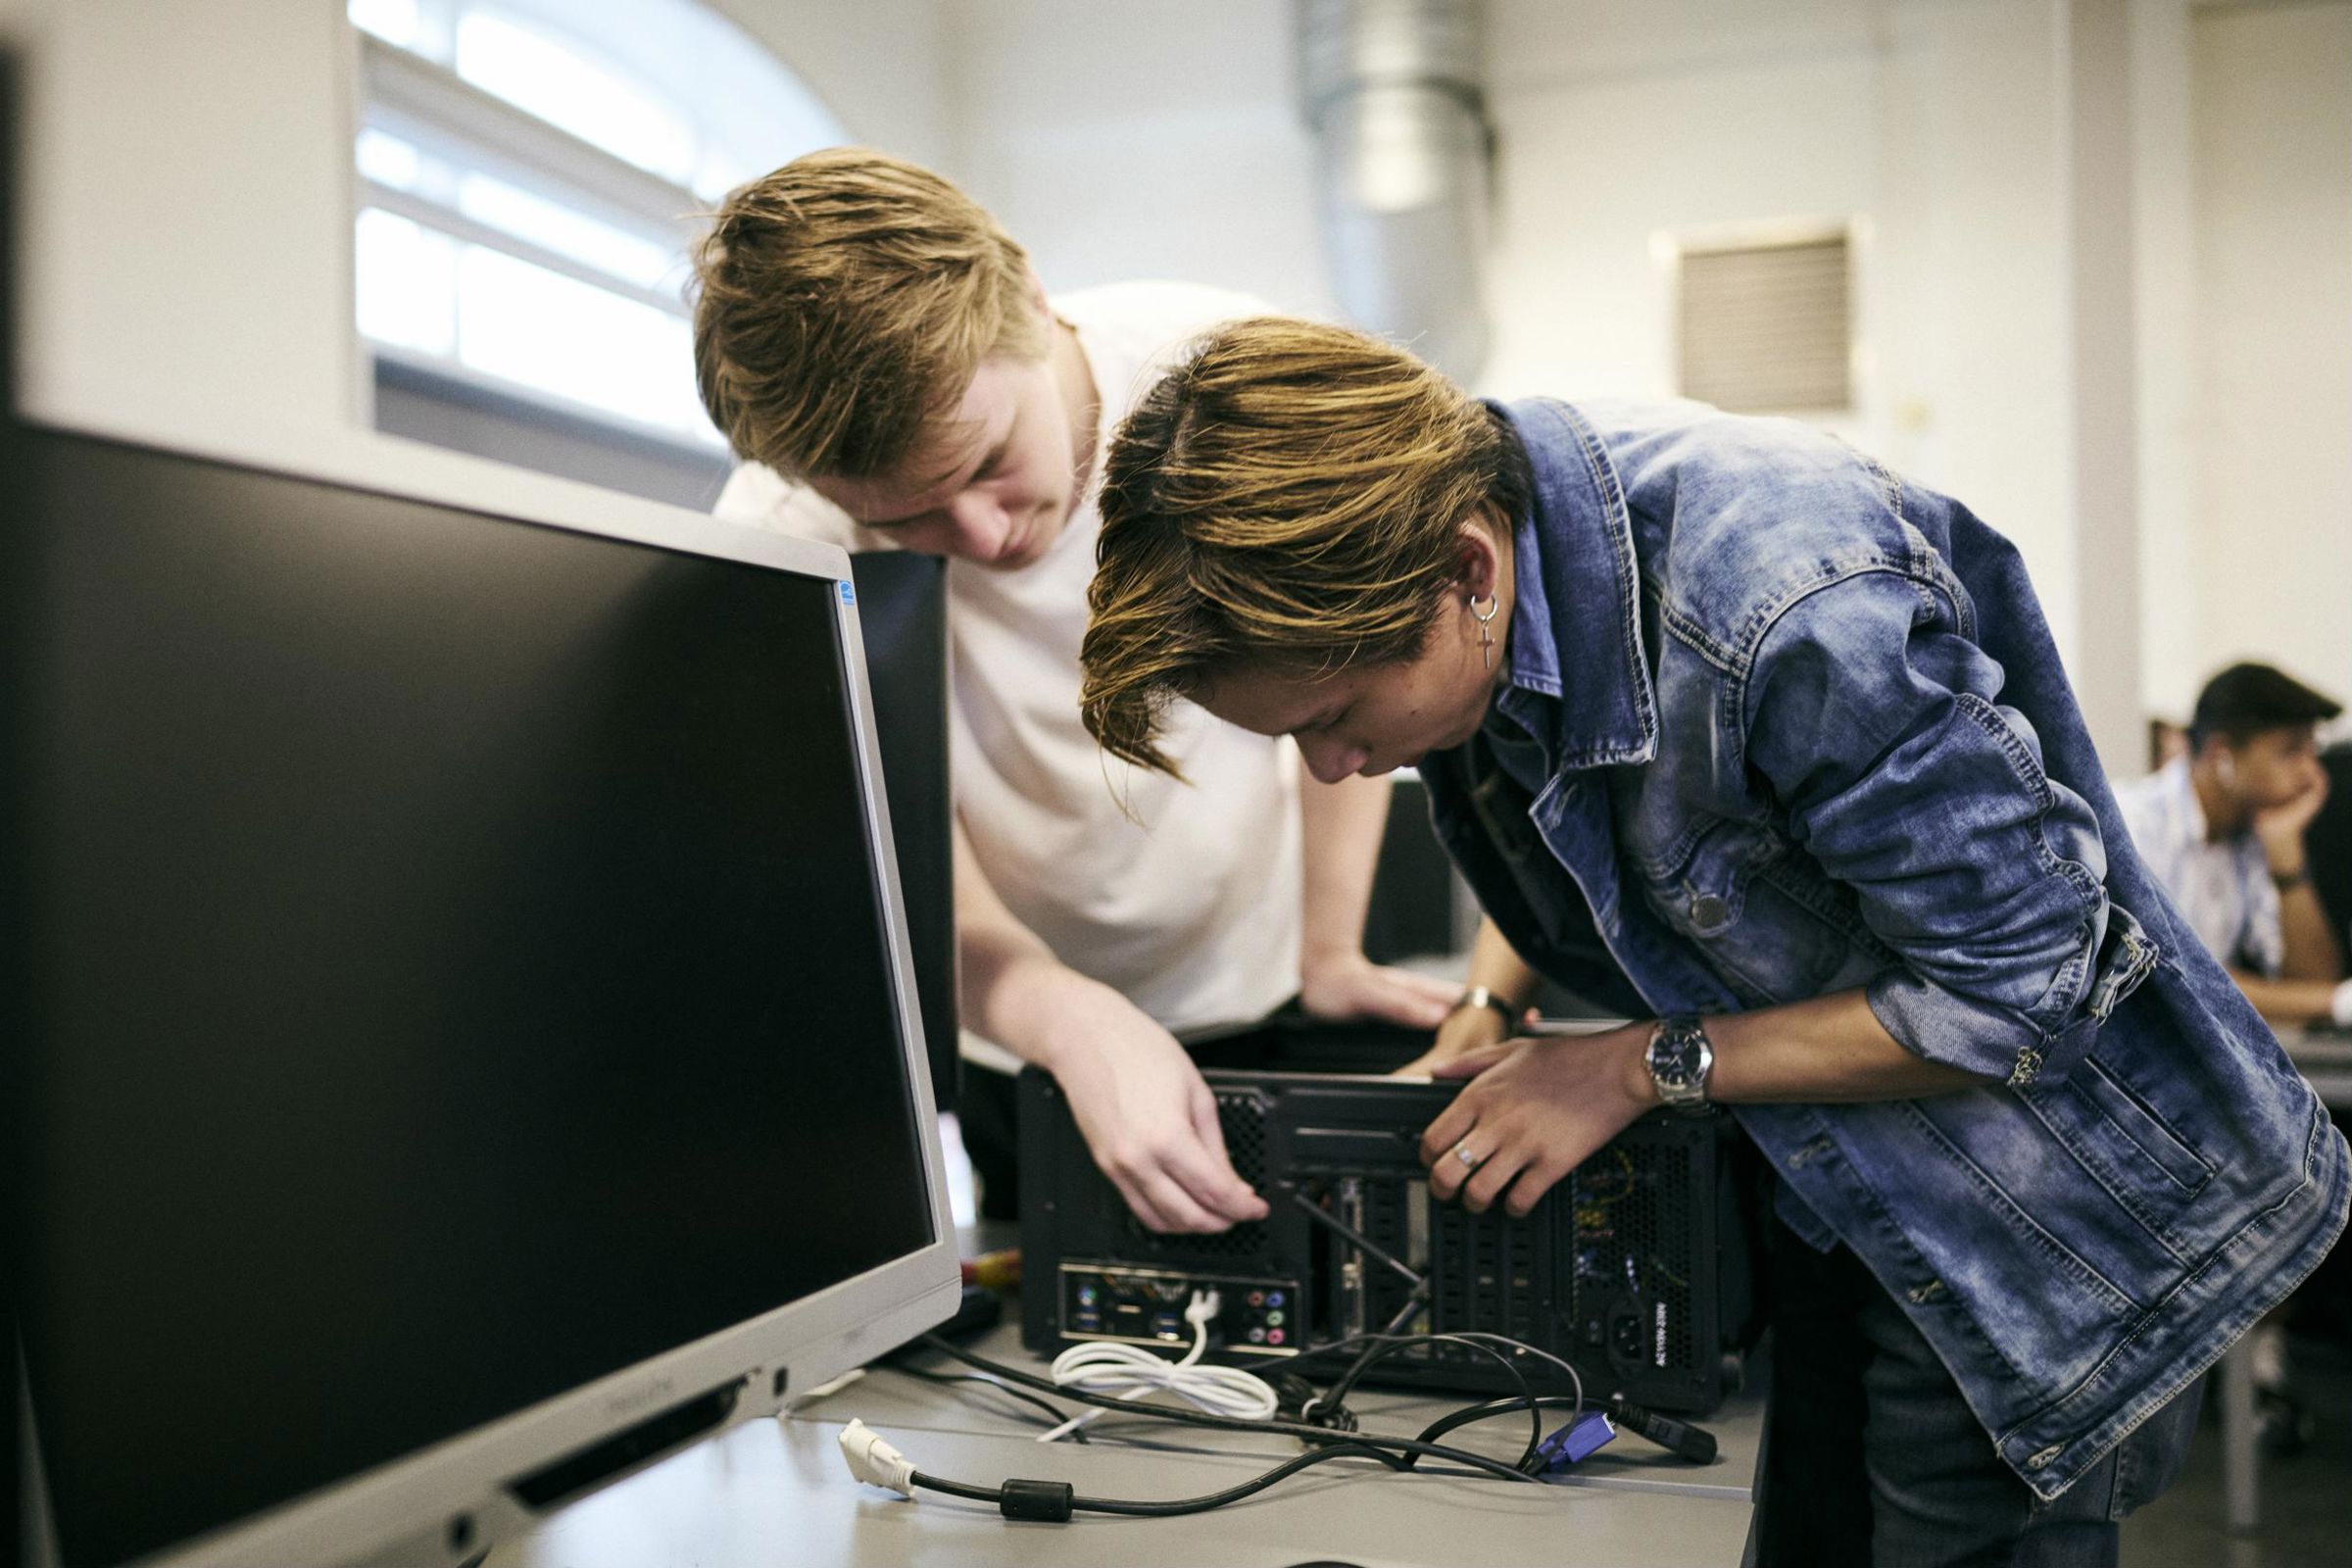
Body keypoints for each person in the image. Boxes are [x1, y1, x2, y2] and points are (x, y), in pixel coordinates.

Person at [1077, 318, 2350, 1560]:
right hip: (1813, 1182)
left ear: (1468, 573)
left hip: (2015, 1213)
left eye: (1339, 715)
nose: (1339, 770)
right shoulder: (1489, 517)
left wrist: (1632, 1065)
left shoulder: (1789, 606)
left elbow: (2025, 992)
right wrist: (1487, 1014)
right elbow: (1602, 812)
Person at [687, 151, 1458, 1234]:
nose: (982, 538)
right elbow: (892, 844)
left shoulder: (1223, 382)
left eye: (986, 462)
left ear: (1032, 303)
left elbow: (1342, 675)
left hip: (1261, 980)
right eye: (906, 521)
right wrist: (1054, 1012)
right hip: (1016, 1027)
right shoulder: (778, 532)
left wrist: (1329, 947)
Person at [2116, 663, 2350, 1029]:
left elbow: (2309, 980)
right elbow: (2177, 976)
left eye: (2311, 751)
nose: (2312, 773)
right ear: (2221, 754)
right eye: (2291, 752)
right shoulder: (2132, 823)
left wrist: (2287, 857)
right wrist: (2335, 1002)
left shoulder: (2251, 832)